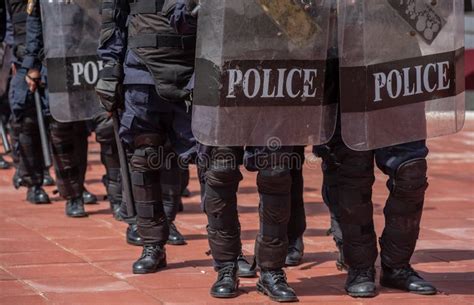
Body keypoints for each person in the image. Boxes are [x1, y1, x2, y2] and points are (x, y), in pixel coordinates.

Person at [315, 0, 437, 297]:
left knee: (411, 172)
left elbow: (434, 20)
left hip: (398, 70)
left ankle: (397, 266)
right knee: (351, 174)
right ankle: (360, 267)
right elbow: (298, 26)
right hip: (342, 70)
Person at [96, 0, 196, 274]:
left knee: (212, 165)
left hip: (195, 69)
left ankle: (226, 259)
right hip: (142, 70)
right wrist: (109, 71)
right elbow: (113, 18)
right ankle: (152, 243)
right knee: (145, 157)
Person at [21, 0, 98, 216]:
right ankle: (72, 196)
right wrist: (32, 66)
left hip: (84, 60)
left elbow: (98, 19)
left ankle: (80, 187)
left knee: (81, 128)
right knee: (61, 129)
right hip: (54, 60)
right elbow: (35, 26)